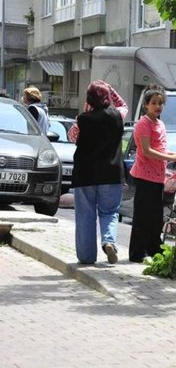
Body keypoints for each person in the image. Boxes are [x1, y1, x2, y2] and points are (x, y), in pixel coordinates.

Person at [128, 84, 176, 263]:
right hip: (144, 176)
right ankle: (137, 252)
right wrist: (170, 157)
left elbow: (160, 149)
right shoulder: (143, 124)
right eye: (154, 103)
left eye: (160, 103)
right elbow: (146, 151)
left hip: (158, 176)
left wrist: (174, 155)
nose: (158, 106)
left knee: (155, 216)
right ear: (146, 105)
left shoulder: (160, 124)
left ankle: (153, 248)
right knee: (142, 216)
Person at [72, 80, 125, 265]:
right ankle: (109, 241)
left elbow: (73, 137)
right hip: (111, 173)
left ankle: (86, 257)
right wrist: (110, 89)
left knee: (85, 215)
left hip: (85, 174)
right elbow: (123, 105)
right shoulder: (117, 116)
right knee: (110, 212)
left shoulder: (82, 120)